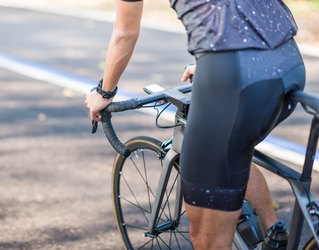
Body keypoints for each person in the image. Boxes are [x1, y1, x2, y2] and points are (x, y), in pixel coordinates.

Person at [85, 0, 305, 249]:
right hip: (289, 62)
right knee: (234, 148)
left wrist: (104, 93)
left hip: (234, 75)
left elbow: (125, 33)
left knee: (207, 238)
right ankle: (273, 235)